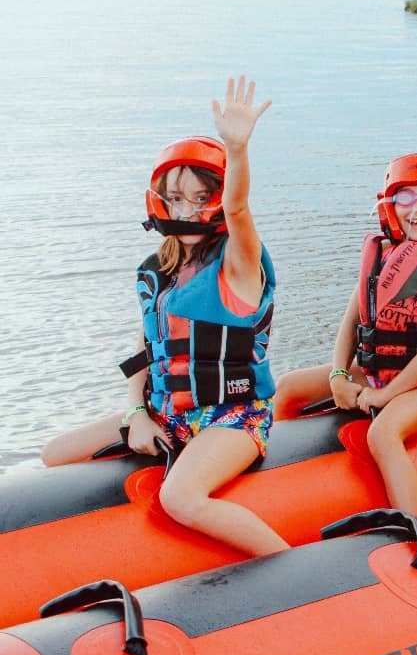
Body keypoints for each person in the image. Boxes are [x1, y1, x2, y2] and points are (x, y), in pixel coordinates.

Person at [41, 76, 288, 556]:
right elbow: (145, 351)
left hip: (232, 418)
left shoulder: (238, 265)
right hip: (166, 415)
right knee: (54, 454)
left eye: (201, 198)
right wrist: (137, 414)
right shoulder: (160, 272)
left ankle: (292, 568)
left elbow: (238, 209)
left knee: (181, 496)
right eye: (176, 198)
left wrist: (237, 151)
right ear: (158, 201)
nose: (188, 210)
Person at [272, 153, 417, 514]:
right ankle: (273, 475)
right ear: (389, 204)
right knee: (289, 387)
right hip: (377, 371)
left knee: (382, 435)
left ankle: (414, 527)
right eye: (405, 198)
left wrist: (386, 395)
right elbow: (351, 322)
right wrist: (339, 375)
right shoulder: (383, 255)